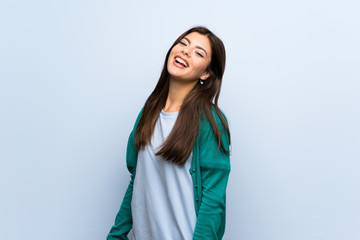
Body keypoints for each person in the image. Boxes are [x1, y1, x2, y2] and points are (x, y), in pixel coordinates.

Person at [107, 26, 231, 240]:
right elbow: (137, 180)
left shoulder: (210, 122)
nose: (186, 51)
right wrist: (116, 235)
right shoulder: (149, 112)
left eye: (198, 53)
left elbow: (213, 200)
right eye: (183, 44)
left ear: (206, 73)